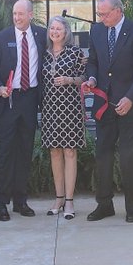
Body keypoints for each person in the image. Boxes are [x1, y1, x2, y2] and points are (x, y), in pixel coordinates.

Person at [85, 0, 133, 223]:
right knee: (102, 155)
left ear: (117, 11)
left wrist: (131, 98)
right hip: (104, 105)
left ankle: (132, 208)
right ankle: (104, 205)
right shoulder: (97, 31)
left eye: (104, 14)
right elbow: (93, 61)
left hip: (129, 106)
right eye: (99, 14)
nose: (100, 18)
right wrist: (91, 79)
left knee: (127, 156)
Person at [0, 0, 48, 220]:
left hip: (30, 99)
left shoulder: (41, 36)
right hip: (8, 101)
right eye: (14, 14)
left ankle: (20, 201)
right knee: (5, 153)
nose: (17, 17)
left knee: (25, 151)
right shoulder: (0, 38)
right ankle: (1, 203)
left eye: (21, 14)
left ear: (31, 15)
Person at [39, 15, 87, 220]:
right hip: (50, 109)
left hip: (70, 109)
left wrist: (69, 79)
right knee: (54, 153)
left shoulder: (76, 53)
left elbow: (85, 78)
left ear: (66, 32)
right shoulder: (44, 54)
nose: (55, 32)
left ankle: (69, 201)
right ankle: (58, 198)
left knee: (69, 152)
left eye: (59, 29)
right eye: (52, 28)